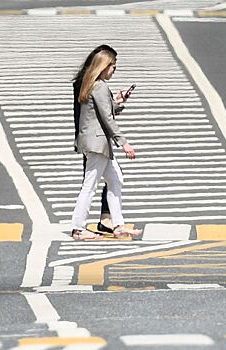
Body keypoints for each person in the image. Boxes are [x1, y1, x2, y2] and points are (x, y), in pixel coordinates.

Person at [71, 48, 141, 240]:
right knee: (90, 186)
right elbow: (107, 119)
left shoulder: (92, 84)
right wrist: (124, 143)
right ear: (102, 66)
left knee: (116, 179)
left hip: (96, 142)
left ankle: (118, 225)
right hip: (97, 143)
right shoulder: (99, 86)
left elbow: (102, 110)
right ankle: (78, 228)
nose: (114, 69)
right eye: (112, 65)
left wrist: (118, 101)